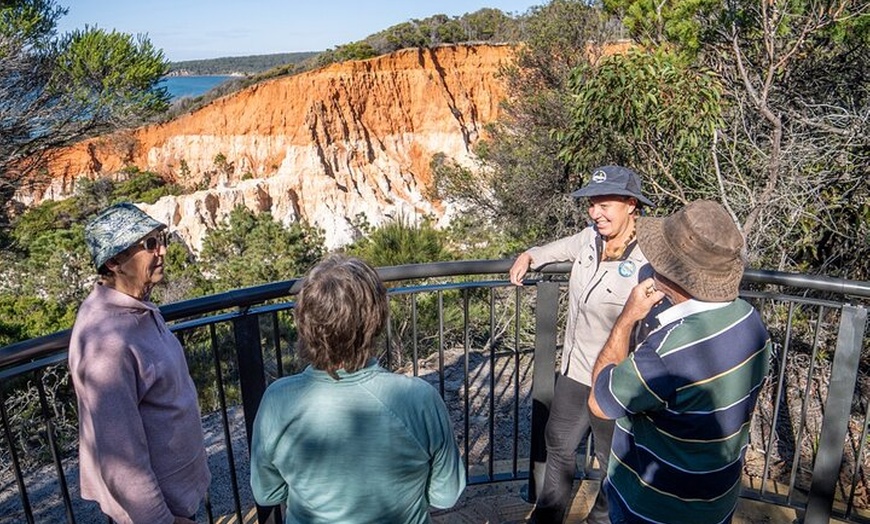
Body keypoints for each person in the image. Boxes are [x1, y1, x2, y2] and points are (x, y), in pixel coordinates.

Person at [588, 200, 772, 524]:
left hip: (653, 509)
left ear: (670, 273)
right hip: (715, 501)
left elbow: (601, 401)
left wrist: (627, 319)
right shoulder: (749, 320)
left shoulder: (666, 352)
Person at [249, 254, 466, 523]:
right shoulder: (419, 398)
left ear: (304, 323)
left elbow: (267, 493)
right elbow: (446, 495)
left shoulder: (277, 400)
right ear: (376, 320)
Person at [509, 165, 655, 524]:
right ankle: (546, 517)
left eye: (605, 204)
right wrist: (530, 255)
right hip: (575, 372)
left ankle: (602, 519)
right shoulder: (590, 238)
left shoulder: (648, 257)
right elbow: (552, 249)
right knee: (558, 446)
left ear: (631, 204)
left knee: (612, 461)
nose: (595, 213)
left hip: (615, 378)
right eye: (592, 204)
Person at [68, 202, 211, 523]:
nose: (161, 250)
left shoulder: (137, 308)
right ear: (114, 262)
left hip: (177, 496)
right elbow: (120, 459)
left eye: (161, 239)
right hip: (158, 511)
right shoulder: (107, 343)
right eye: (149, 244)